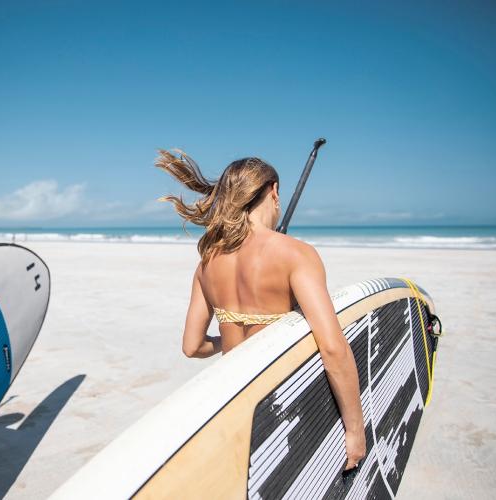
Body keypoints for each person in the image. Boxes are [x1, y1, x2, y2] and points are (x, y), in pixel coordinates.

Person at [155, 150, 365, 470]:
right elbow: (333, 348)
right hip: (285, 404)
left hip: (237, 403)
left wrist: (231, 338)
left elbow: (192, 347)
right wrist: (354, 431)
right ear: (274, 191)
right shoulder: (295, 254)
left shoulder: (207, 263)